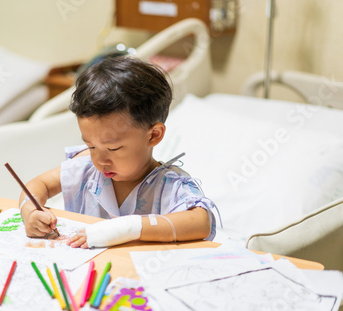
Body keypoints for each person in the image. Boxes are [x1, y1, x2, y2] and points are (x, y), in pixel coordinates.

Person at [19, 56, 219, 248]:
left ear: (153, 135)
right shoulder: (86, 168)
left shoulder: (168, 185)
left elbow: (201, 222)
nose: (100, 160)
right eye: (91, 146)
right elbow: (39, 185)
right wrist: (30, 210)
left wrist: (128, 228)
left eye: (113, 148)